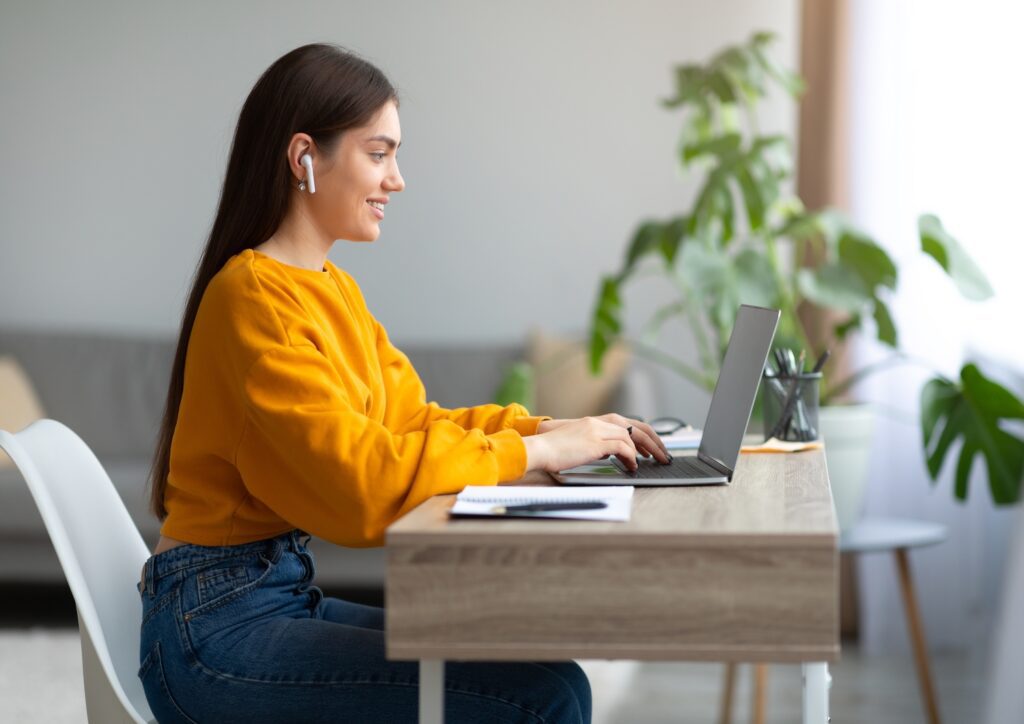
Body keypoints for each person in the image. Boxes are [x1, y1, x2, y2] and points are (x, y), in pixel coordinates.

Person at [138, 42, 671, 723]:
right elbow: (362, 487)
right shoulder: (252, 299)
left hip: (270, 594)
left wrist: (547, 430)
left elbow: (411, 424)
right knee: (532, 700)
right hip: (210, 634)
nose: (398, 180)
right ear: (305, 156)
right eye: (379, 152)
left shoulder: (332, 291)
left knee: (557, 681)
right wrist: (535, 455)